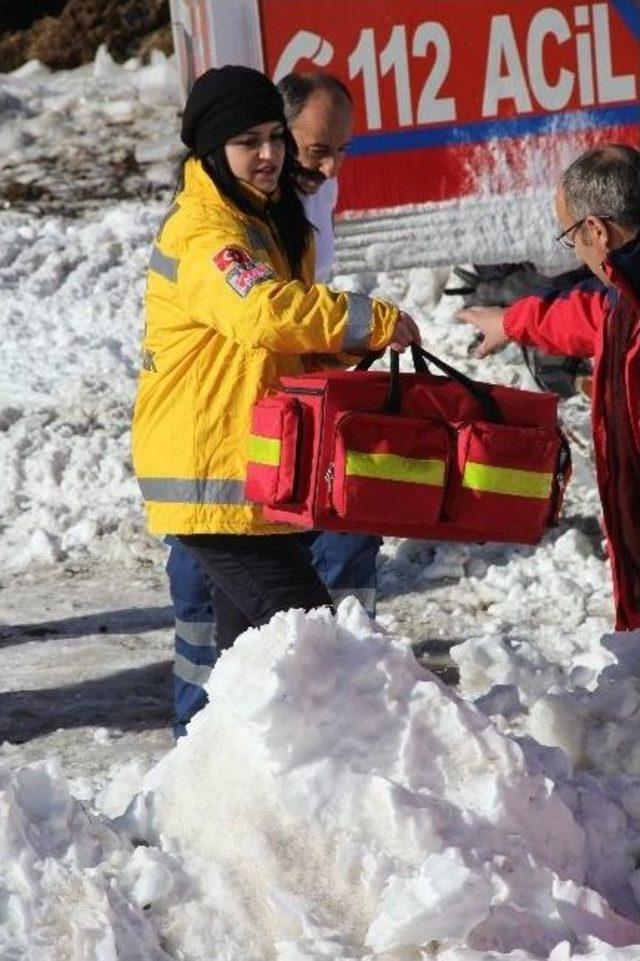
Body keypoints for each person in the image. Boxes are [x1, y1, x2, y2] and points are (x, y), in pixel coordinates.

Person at [132, 65, 421, 734]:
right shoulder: (209, 233)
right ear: (210, 150)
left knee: (249, 676)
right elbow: (262, 313)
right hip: (212, 485)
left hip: (250, 483)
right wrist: (368, 320)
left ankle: (227, 804)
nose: (269, 155)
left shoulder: (262, 221)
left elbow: (276, 347)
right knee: (313, 641)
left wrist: (345, 353)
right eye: (247, 143)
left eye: (273, 138)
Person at [457, 143, 640, 630]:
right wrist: (513, 321)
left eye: (571, 240)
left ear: (598, 231)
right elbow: (584, 315)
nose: (576, 254)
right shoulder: (622, 300)